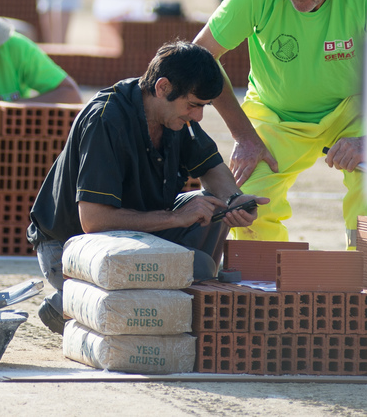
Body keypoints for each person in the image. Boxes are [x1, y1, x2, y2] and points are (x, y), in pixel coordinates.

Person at [27, 41, 267, 334]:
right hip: (69, 248)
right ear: (163, 87)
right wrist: (176, 218)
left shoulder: (177, 118)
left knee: (212, 205)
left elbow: (213, 171)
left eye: (203, 107)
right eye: (193, 105)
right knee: (145, 307)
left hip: (138, 236)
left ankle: (184, 292)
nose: (198, 116)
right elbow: (94, 221)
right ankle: (73, 300)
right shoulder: (106, 119)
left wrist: (235, 201)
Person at [193, 0, 367, 249]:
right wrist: (244, 135)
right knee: (247, 201)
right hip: (276, 112)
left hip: (351, 111)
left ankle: (365, 277)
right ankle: (269, 287)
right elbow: (200, 56)